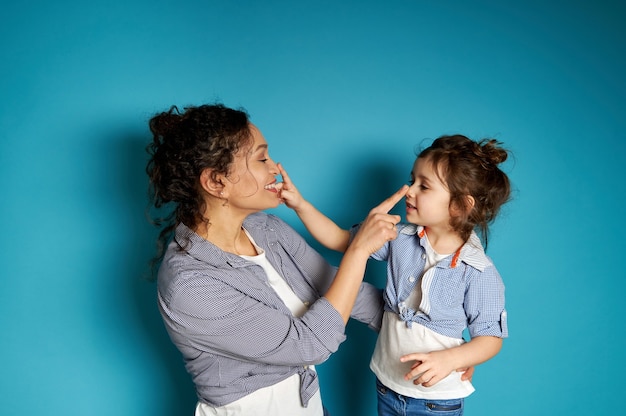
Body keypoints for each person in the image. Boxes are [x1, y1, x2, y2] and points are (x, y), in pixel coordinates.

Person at [145, 103, 409, 416]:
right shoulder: (190, 284)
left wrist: (436, 343)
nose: (275, 168)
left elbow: (339, 288)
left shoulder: (265, 228)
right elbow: (308, 344)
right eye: (261, 158)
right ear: (216, 182)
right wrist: (359, 250)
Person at [280, 134, 511, 416]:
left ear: (461, 205)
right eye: (412, 180)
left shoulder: (478, 272)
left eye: (423, 186)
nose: (409, 191)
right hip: (386, 385)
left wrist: (451, 359)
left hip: (435, 401)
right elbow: (342, 240)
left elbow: (490, 338)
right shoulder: (399, 238)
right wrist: (300, 204)